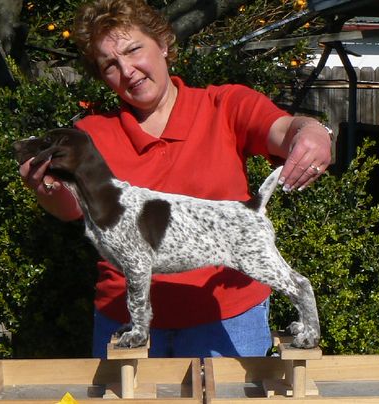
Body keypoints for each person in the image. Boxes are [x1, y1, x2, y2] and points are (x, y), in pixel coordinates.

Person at [19, 0, 332, 358]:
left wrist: (313, 132)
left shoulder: (225, 104)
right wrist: (45, 186)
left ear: (163, 44)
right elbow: (70, 208)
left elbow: (285, 130)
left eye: (133, 50)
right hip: (120, 321)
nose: (127, 70)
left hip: (228, 317)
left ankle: (307, 315)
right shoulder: (90, 136)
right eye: (110, 65)